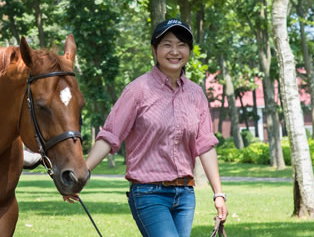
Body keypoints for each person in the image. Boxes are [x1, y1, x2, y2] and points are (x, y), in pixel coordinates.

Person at [65, 18, 227, 237]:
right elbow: (110, 136)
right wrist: (81, 174)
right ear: (154, 50)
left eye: (181, 45)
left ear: (189, 50)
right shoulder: (137, 90)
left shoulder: (195, 94)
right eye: (167, 44)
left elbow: (205, 145)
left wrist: (219, 194)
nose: (175, 51)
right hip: (149, 193)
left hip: (186, 194)